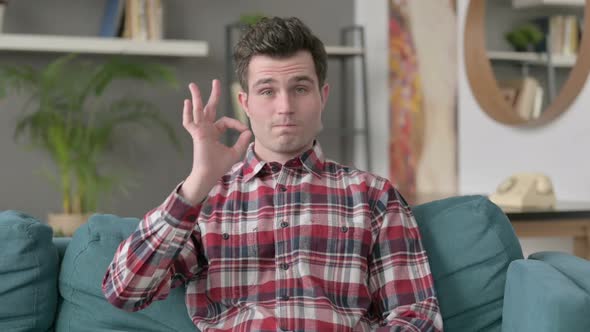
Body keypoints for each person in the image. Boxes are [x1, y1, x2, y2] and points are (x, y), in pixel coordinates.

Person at [102, 16, 443, 331]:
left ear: (322, 96)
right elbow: (125, 291)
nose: (285, 106)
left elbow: (417, 317)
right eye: (267, 90)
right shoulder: (207, 199)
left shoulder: (374, 197)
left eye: (300, 88)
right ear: (245, 103)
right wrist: (198, 182)